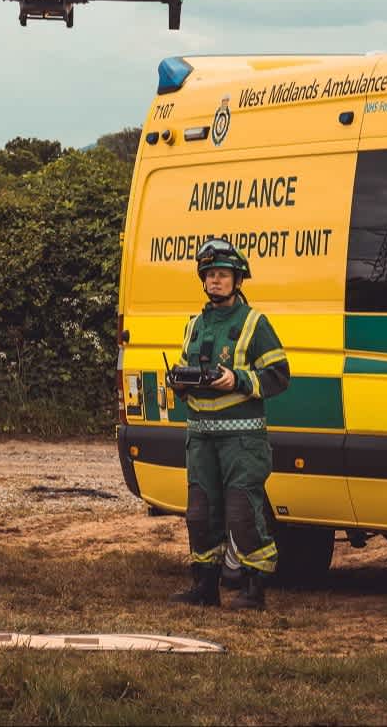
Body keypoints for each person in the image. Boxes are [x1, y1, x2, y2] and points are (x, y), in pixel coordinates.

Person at [166, 237, 290, 611]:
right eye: (210, 275)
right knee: (200, 513)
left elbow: (279, 375)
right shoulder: (194, 325)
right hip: (200, 436)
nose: (215, 281)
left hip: (242, 438)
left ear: (238, 280)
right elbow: (190, 370)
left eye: (222, 275)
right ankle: (205, 587)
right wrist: (181, 383)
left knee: (241, 512)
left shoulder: (254, 323)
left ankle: (254, 590)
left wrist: (238, 379)